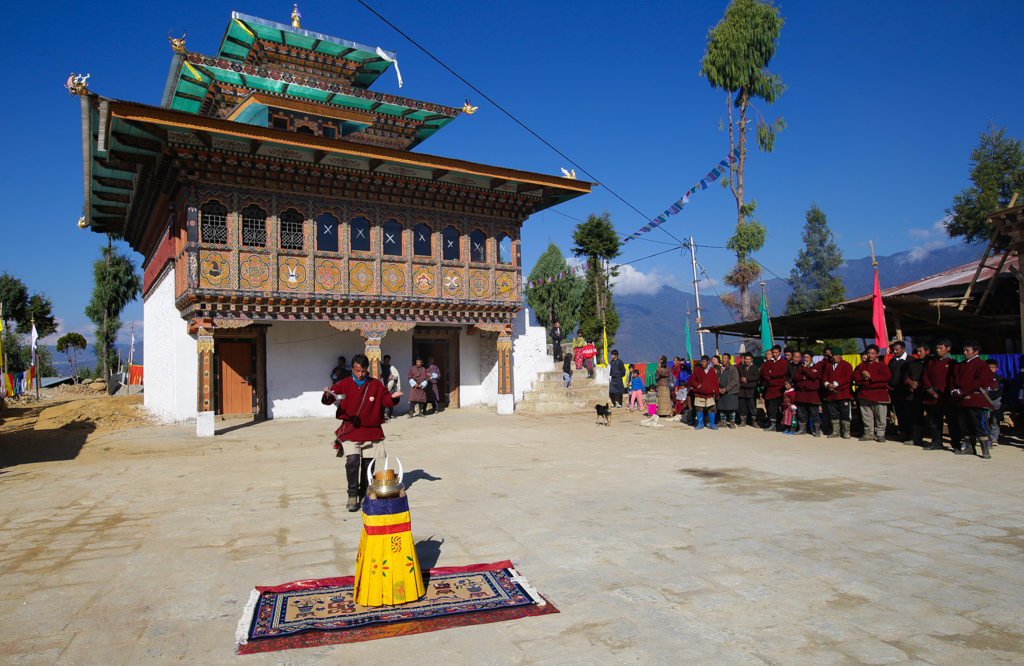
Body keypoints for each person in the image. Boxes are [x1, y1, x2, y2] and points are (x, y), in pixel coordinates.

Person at [322, 353, 404, 512]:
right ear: (352, 368)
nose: (360, 374)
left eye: (363, 371)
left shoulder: (376, 384)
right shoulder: (344, 383)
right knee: (352, 461)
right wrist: (327, 395)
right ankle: (352, 494)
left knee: (368, 464)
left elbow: (385, 400)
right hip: (351, 429)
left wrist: (393, 397)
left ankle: (365, 491)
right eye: (357, 370)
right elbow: (331, 396)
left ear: (367, 370)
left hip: (371, 430)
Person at [951, 340, 995, 459]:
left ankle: (985, 450)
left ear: (976, 352)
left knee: (977, 424)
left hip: (974, 398)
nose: (965, 352)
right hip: (961, 399)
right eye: (964, 350)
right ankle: (970, 448)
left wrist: (964, 391)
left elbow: (979, 381)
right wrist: (955, 391)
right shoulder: (960, 365)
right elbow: (953, 379)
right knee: (963, 424)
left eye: (967, 350)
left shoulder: (982, 365)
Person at [922, 338, 958, 451]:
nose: (938, 350)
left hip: (946, 397)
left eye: (941, 348)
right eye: (937, 348)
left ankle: (956, 444)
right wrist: (930, 389)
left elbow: (952, 379)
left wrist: (941, 391)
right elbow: (925, 375)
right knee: (934, 422)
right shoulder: (932, 361)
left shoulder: (952, 362)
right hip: (932, 396)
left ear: (948, 349)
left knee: (952, 422)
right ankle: (937, 442)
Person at [854, 345, 892, 442]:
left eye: (872, 353)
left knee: (880, 416)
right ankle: (868, 433)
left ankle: (880, 434)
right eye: (869, 353)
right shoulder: (862, 365)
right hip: (864, 394)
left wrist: (871, 377)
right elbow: (856, 377)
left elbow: (886, 378)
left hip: (879, 395)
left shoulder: (882, 365)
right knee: (866, 416)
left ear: (878, 354)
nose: (870, 355)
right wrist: (863, 379)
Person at [821, 346, 854, 439]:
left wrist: (836, 383)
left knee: (845, 414)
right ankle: (836, 431)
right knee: (833, 413)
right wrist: (827, 384)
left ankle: (846, 432)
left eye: (836, 355)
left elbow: (848, 378)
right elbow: (824, 376)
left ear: (840, 356)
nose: (834, 357)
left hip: (843, 394)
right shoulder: (828, 365)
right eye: (833, 355)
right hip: (831, 394)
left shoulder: (847, 365)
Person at [903, 344, 931, 446]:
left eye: (921, 351)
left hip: (928, 394)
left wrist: (923, 385)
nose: (918, 354)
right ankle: (917, 438)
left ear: (927, 351)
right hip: (915, 395)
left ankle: (936, 440)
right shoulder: (913, 363)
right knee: (916, 417)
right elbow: (906, 374)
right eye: (917, 351)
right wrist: (909, 382)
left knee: (933, 417)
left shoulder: (932, 362)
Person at [887, 341, 913, 442]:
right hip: (895, 393)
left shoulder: (910, 360)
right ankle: (903, 433)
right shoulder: (892, 361)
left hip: (906, 393)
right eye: (894, 350)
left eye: (897, 350)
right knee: (899, 414)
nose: (895, 351)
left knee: (908, 414)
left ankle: (911, 434)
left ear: (903, 349)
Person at [759, 345, 788, 431]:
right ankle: (772, 424)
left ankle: (782, 424)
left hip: (781, 389)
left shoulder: (784, 362)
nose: (774, 354)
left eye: (776, 352)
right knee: (771, 408)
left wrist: (772, 374)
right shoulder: (768, 363)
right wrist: (775, 376)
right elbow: (765, 373)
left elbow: (783, 373)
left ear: (780, 352)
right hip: (770, 389)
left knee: (782, 408)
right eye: (773, 353)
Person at [793, 351, 823, 436]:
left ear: (812, 358)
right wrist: (805, 376)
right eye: (804, 357)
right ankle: (803, 429)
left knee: (814, 413)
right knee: (801, 413)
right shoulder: (800, 366)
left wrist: (806, 369)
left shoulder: (817, 366)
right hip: (801, 394)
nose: (806, 359)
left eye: (807, 357)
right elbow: (796, 377)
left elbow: (814, 376)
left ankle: (816, 429)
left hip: (812, 395)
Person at [687, 355, 720, 430]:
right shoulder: (697, 370)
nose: (703, 363)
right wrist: (698, 386)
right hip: (699, 393)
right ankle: (700, 424)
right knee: (699, 408)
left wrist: (717, 393)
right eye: (702, 362)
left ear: (708, 362)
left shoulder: (712, 371)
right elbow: (692, 380)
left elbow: (715, 383)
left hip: (710, 393)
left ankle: (712, 424)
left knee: (712, 408)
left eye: (705, 362)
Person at [717, 353, 740, 428]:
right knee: (722, 407)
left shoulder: (733, 368)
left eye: (725, 358)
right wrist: (719, 388)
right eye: (723, 358)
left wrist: (726, 389)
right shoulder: (720, 368)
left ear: (729, 360)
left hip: (731, 391)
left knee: (731, 408)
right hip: (721, 390)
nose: (723, 360)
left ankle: (732, 422)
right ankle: (722, 421)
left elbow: (734, 381)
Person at [736, 352, 759, 427]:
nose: (747, 361)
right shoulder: (740, 368)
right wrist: (742, 380)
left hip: (751, 392)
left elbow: (756, 379)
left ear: (752, 359)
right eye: (746, 359)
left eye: (749, 359)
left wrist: (747, 379)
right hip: (742, 391)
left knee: (752, 407)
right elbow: (737, 378)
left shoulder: (755, 368)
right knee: (742, 407)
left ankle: (754, 421)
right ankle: (743, 421)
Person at [986, 358, 1005, 447]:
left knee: (995, 420)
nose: (991, 369)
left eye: (993, 367)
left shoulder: (999, 378)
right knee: (985, 419)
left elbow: (1007, 385)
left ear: (996, 368)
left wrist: (1001, 392)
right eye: (988, 367)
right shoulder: (983, 378)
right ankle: (985, 437)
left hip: (996, 401)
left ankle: (994, 438)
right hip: (986, 400)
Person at [380, 354, 400, 422]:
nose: (387, 361)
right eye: (385, 360)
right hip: (383, 386)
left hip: (390, 387)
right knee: (382, 401)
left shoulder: (391, 368)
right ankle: (382, 415)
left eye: (388, 360)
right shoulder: (381, 367)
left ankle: (390, 414)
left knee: (391, 400)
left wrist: (393, 377)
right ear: (383, 360)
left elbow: (397, 376)